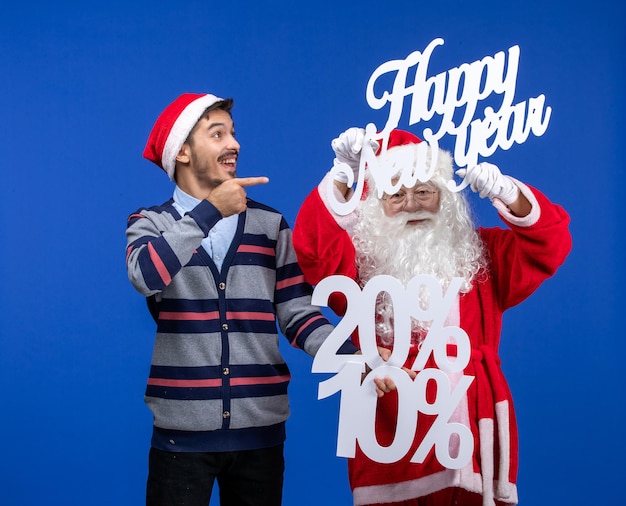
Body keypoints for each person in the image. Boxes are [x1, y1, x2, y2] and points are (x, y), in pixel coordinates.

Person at [292, 128, 572, 506]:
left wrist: (507, 193)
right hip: (391, 431)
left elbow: (551, 244)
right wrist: (343, 174)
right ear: (376, 203)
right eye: (396, 195)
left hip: (473, 433)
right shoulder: (359, 266)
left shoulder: (482, 254)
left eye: (424, 191)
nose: (412, 205)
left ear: (445, 197)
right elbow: (313, 249)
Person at [125, 93, 362, 506]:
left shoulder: (270, 225)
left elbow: (298, 313)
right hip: (182, 435)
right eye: (217, 134)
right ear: (182, 151)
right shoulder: (150, 223)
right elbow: (146, 276)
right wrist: (209, 212)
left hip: (261, 434)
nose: (233, 144)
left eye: (233, 133)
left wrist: (356, 358)